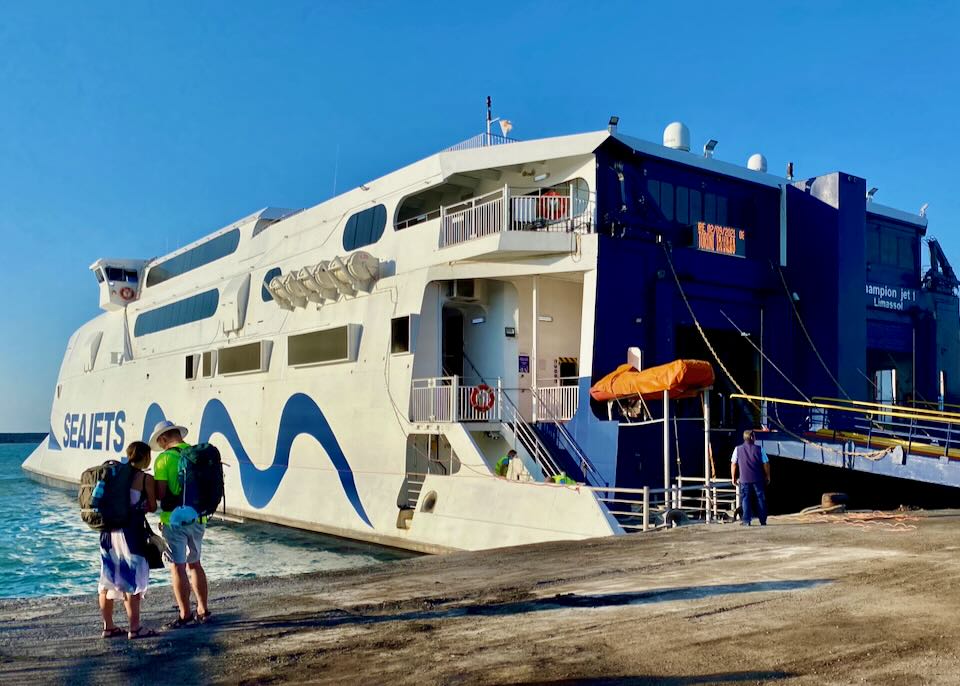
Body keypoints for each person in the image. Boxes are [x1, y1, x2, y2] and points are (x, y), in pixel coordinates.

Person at [150, 419, 212, 628]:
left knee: (177, 567)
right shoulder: (197, 454)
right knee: (195, 564)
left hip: (173, 520)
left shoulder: (164, 459)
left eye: (160, 442)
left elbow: (160, 493)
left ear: (164, 438)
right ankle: (203, 610)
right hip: (199, 517)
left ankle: (185, 614)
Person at [98, 441, 157, 640]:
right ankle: (135, 628)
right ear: (146, 456)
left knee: (107, 579)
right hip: (130, 533)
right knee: (133, 581)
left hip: (107, 533)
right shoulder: (144, 478)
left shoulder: (113, 474)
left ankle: (109, 627)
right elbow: (152, 506)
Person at [731, 429, 771, 527]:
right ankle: (763, 521)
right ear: (752, 437)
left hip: (744, 479)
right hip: (758, 478)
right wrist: (768, 475)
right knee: (760, 498)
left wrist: (733, 477)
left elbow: (733, 464)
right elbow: (766, 463)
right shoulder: (759, 449)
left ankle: (746, 520)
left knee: (745, 499)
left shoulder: (737, 449)